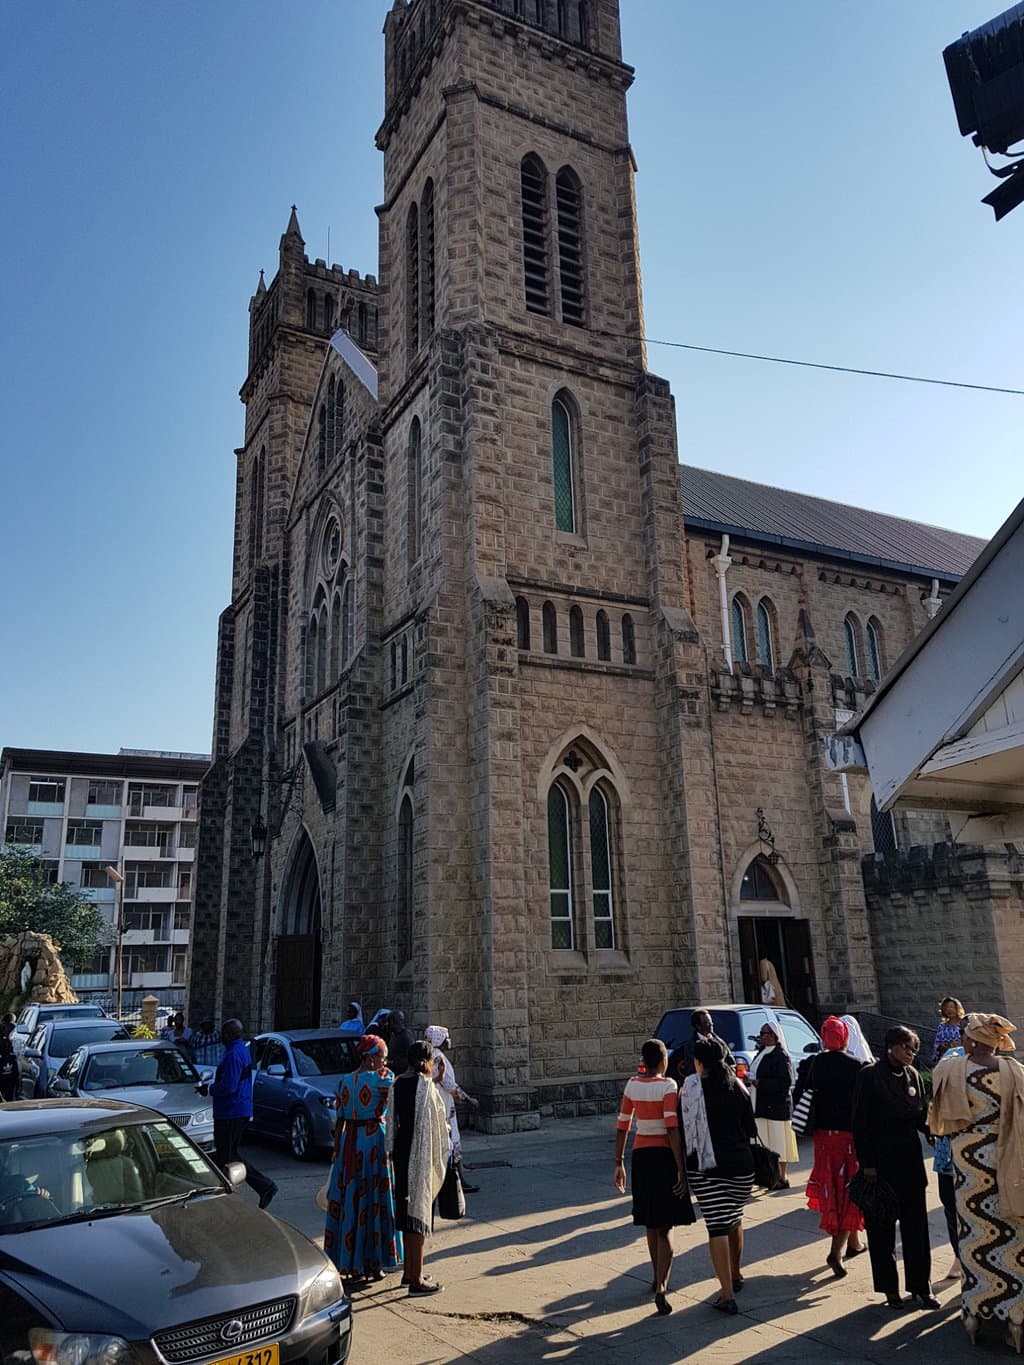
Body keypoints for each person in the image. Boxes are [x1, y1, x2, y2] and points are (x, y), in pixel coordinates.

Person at [930, 1011, 1024, 1349]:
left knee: (974, 1235)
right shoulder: (1015, 1070)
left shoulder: (953, 1069)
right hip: (1008, 1156)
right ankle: (1015, 1314)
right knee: (1013, 1234)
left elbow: (941, 1116)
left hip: (969, 1161)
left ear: (971, 1040)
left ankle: (976, 1311)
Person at [851, 1024, 937, 1310]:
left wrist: (933, 1130)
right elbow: (860, 1123)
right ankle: (890, 1289)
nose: (911, 1053)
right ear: (891, 1046)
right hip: (880, 1164)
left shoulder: (913, 1075)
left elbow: (921, 1115)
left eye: (915, 1049)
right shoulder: (869, 1076)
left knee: (916, 1229)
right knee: (881, 1230)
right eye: (907, 1048)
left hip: (910, 1162)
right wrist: (868, 1164)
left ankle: (921, 1287)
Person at [614, 1038, 693, 1316]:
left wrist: (618, 1162)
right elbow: (671, 1127)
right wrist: (681, 1167)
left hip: (641, 1158)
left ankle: (654, 1274)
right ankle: (662, 1285)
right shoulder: (668, 1086)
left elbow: (623, 1125)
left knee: (649, 1220)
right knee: (665, 1226)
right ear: (662, 1062)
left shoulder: (632, 1085)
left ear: (643, 1062)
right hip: (663, 1158)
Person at [680, 1036, 756, 1316]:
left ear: (699, 1062)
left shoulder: (690, 1090)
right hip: (742, 1168)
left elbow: (683, 1131)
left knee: (717, 1227)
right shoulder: (738, 1086)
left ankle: (727, 1294)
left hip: (707, 1168)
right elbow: (750, 1128)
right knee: (734, 1218)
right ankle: (736, 1274)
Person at [323, 1034, 402, 1285]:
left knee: (352, 1201)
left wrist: (337, 1149)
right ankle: (374, 1263)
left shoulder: (344, 1082)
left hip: (349, 1144)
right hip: (373, 1144)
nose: (385, 1062)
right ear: (370, 1059)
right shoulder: (382, 1080)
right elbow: (395, 1104)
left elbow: (340, 1120)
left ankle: (352, 1264)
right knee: (374, 1202)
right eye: (382, 1057)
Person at [794, 1015, 866, 1276]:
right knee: (850, 1192)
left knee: (832, 1188)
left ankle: (854, 1243)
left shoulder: (813, 1063)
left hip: (823, 1138)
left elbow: (800, 1094)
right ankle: (836, 1252)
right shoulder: (857, 1066)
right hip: (848, 1138)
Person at [386, 1040, 449, 1295]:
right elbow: (438, 1121)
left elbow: (391, 1122)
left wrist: (390, 1150)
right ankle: (416, 1279)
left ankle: (409, 1271)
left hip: (401, 1152)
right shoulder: (426, 1086)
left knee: (406, 1212)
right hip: (420, 1154)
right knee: (420, 1215)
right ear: (428, 1061)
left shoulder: (397, 1083)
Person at [207, 1018, 278, 1209]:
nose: (221, 1036)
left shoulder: (233, 1054)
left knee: (227, 1155)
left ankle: (264, 1186)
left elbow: (229, 1087)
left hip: (231, 1111)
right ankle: (252, 1188)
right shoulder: (240, 1050)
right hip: (237, 1109)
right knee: (228, 1155)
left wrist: (210, 1089)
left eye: (223, 1033)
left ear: (229, 1035)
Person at [425, 1025, 480, 1192]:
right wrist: (468, 1099)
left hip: (438, 1104)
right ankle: (458, 1182)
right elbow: (449, 1084)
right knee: (452, 1141)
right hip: (444, 1105)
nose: (449, 1041)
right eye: (446, 1038)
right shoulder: (438, 1057)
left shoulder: (431, 1056)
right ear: (440, 1040)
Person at [930, 1039, 965, 1285]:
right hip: (947, 1159)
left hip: (978, 1158)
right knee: (951, 1208)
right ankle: (959, 1256)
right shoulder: (952, 1058)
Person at [748, 1021, 796, 1189]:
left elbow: (785, 1082)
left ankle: (782, 1177)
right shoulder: (761, 1052)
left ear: (774, 1035)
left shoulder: (780, 1056)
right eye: (761, 1033)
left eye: (765, 1033)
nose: (762, 1036)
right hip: (761, 1105)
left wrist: (760, 1083)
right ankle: (770, 1175)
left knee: (779, 1142)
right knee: (766, 1143)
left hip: (776, 1107)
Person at [673, 1010, 736, 1081]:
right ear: (698, 1026)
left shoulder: (720, 1041)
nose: (711, 1024)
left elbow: (731, 1063)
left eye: (711, 1021)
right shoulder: (691, 1046)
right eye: (707, 1022)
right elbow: (691, 1069)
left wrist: (728, 1076)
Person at [931, 996, 966, 1066]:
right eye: (946, 1008)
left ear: (957, 1008)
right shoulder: (942, 1026)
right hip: (945, 1060)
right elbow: (936, 1044)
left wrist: (959, 1044)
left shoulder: (964, 1024)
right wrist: (941, 1046)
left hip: (961, 1060)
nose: (949, 1010)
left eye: (951, 1007)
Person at [0, 1034, 18, 1102]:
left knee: (9, 1093)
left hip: (7, 1071)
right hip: (8, 1071)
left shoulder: (5, 1040)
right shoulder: (6, 1040)